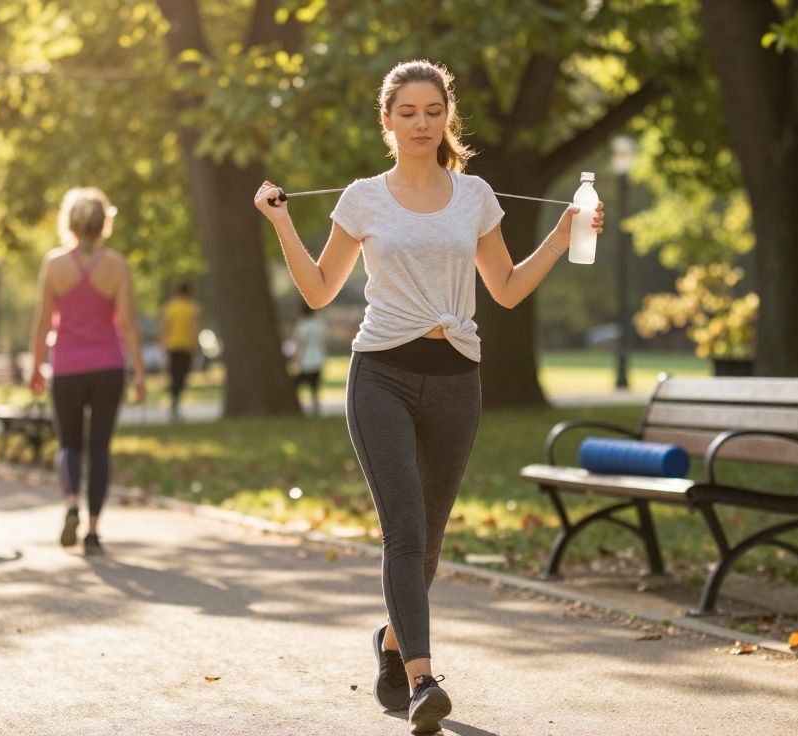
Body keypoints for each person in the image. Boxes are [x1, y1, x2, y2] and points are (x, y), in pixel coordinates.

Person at [254, 59, 603, 734]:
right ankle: (422, 681)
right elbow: (321, 290)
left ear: (448, 118)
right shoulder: (362, 198)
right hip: (379, 375)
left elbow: (504, 288)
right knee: (405, 532)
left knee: (430, 546)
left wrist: (561, 238)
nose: (421, 123)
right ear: (386, 122)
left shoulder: (475, 196)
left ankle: (390, 642)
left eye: (432, 111)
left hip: (455, 380)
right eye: (407, 113)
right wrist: (280, 225)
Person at [29, 187, 147, 556]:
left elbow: (42, 321)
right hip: (109, 366)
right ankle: (94, 530)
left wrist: (35, 366)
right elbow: (126, 324)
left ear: (70, 223)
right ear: (103, 223)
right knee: (99, 447)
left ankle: (70, 504)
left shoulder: (54, 265)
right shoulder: (117, 267)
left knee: (69, 444)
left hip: (66, 367)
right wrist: (139, 372)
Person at [160, 280, 199, 421]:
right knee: (181, 376)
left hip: (172, 346)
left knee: (173, 374)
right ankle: (175, 403)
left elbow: (165, 327)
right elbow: (194, 328)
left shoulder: (171, 307)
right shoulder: (192, 307)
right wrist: (195, 346)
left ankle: (173, 402)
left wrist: (162, 343)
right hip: (185, 346)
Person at [291, 302, 327, 415]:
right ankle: (316, 410)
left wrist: (295, 359)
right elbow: (324, 341)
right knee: (314, 389)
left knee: (296, 385)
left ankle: (299, 408)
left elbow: (299, 344)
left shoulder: (302, 325)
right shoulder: (319, 324)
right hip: (319, 360)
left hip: (306, 362)